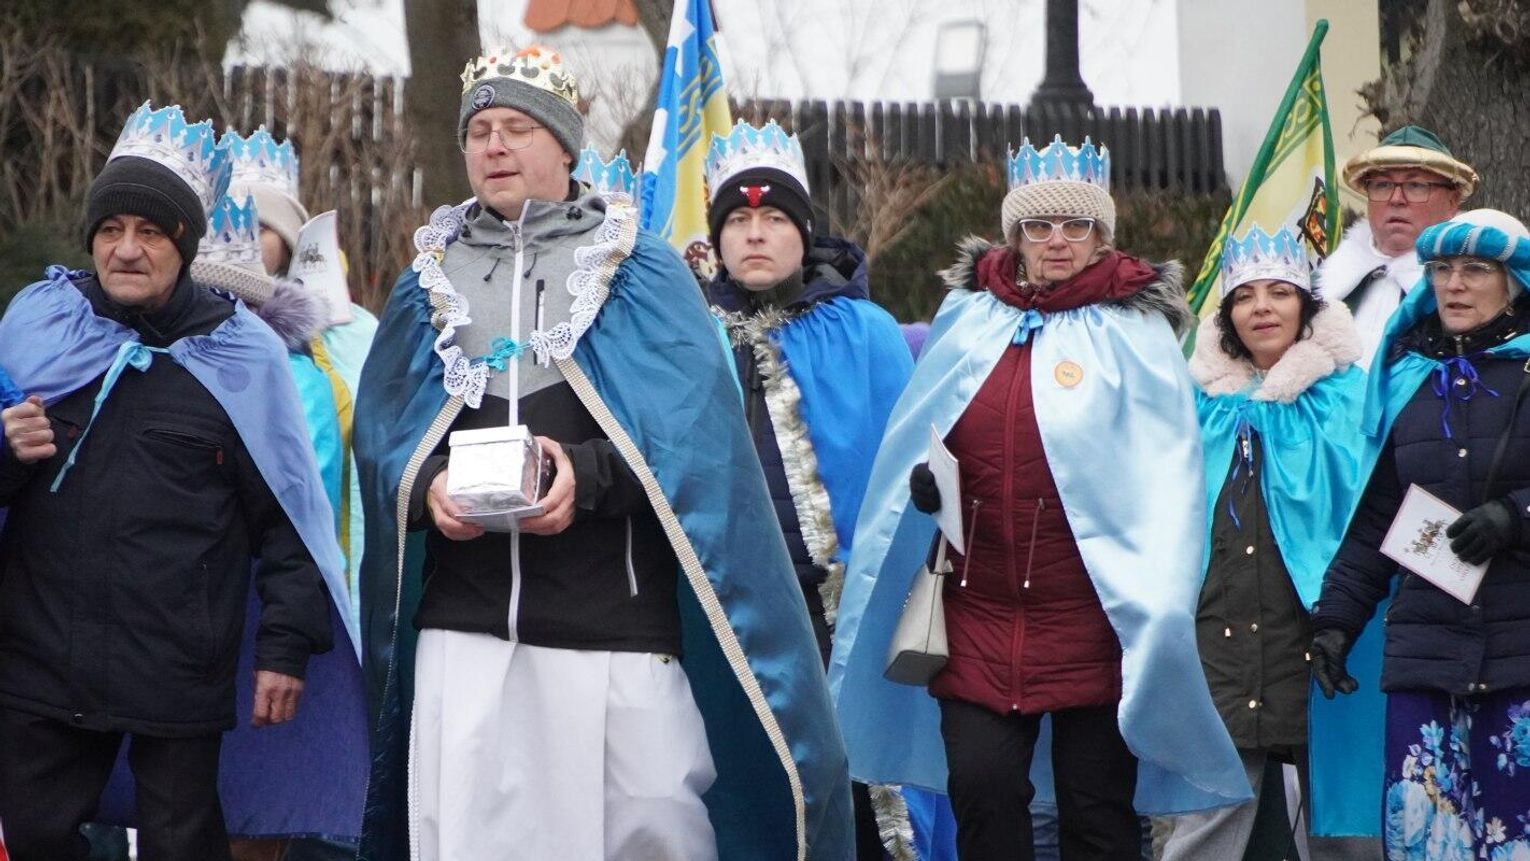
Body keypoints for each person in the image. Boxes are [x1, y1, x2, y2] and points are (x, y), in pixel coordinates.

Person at [353, 45, 852, 861]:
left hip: (614, 624)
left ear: (563, 145)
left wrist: (582, 476)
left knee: (650, 834)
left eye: (517, 127)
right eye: (479, 130)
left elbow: (696, 442)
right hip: (466, 628)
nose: (494, 145)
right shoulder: (426, 282)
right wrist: (429, 487)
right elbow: (383, 440)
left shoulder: (636, 269)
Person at [830, 135, 1251, 861]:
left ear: (1101, 234)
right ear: (1015, 234)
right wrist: (927, 481)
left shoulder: (1137, 332)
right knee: (983, 793)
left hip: (1093, 616)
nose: (1057, 240)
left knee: (1097, 816)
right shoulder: (968, 317)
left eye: (1076, 225)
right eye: (1039, 225)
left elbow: (1169, 473)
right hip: (978, 611)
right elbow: (926, 424)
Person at [0, 102, 348, 861]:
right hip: (43, 659)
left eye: (151, 232)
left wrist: (284, 648)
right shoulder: (39, 333)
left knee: (182, 848)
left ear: (185, 243)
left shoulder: (241, 358)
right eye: (110, 229)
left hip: (177, 669)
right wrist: (5, 450)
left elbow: (289, 516)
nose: (126, 249)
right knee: (33, 837)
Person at [703, 119, 919, 860]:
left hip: (842, 608)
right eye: (738, 221)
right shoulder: (692, 337)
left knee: (858, 788)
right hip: (728, 605)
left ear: (803, 232)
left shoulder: (865, 332)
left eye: (773, 218)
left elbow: (909, 471)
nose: (755, 234)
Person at [1311, 208, 1530, 858]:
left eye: (1475, 269)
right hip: (1424, 655)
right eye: (1441, 269)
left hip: (1521, 652)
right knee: (1422, 840)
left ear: (1514, 281)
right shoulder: (1406, 376)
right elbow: (1377, 515)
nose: (1453, 284)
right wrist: (1336, 620)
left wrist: (1514, 516)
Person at [1160, 225, 1368, 859]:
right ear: (1226, 315)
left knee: (1345, 828)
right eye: (1245, 296)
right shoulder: (1194, 406)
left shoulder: (1350, 399)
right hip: (1219, 637)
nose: (1262, 308)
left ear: (1306, 306)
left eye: (1279, 292)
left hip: (1328, 637)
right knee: (1205, 823)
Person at [228, 126, 379, 613]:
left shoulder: (357, 332)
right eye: (227, 221)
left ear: (291, 242)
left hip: (334, 557)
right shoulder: (185, 327)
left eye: (258, 227)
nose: (241, 238)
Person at [1317, 126, 1477, 365]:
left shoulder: (1473, 293)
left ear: (1452, 201)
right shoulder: (1319, 288)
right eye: (1382, 184)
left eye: (1416, 186)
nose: (1396, 199)